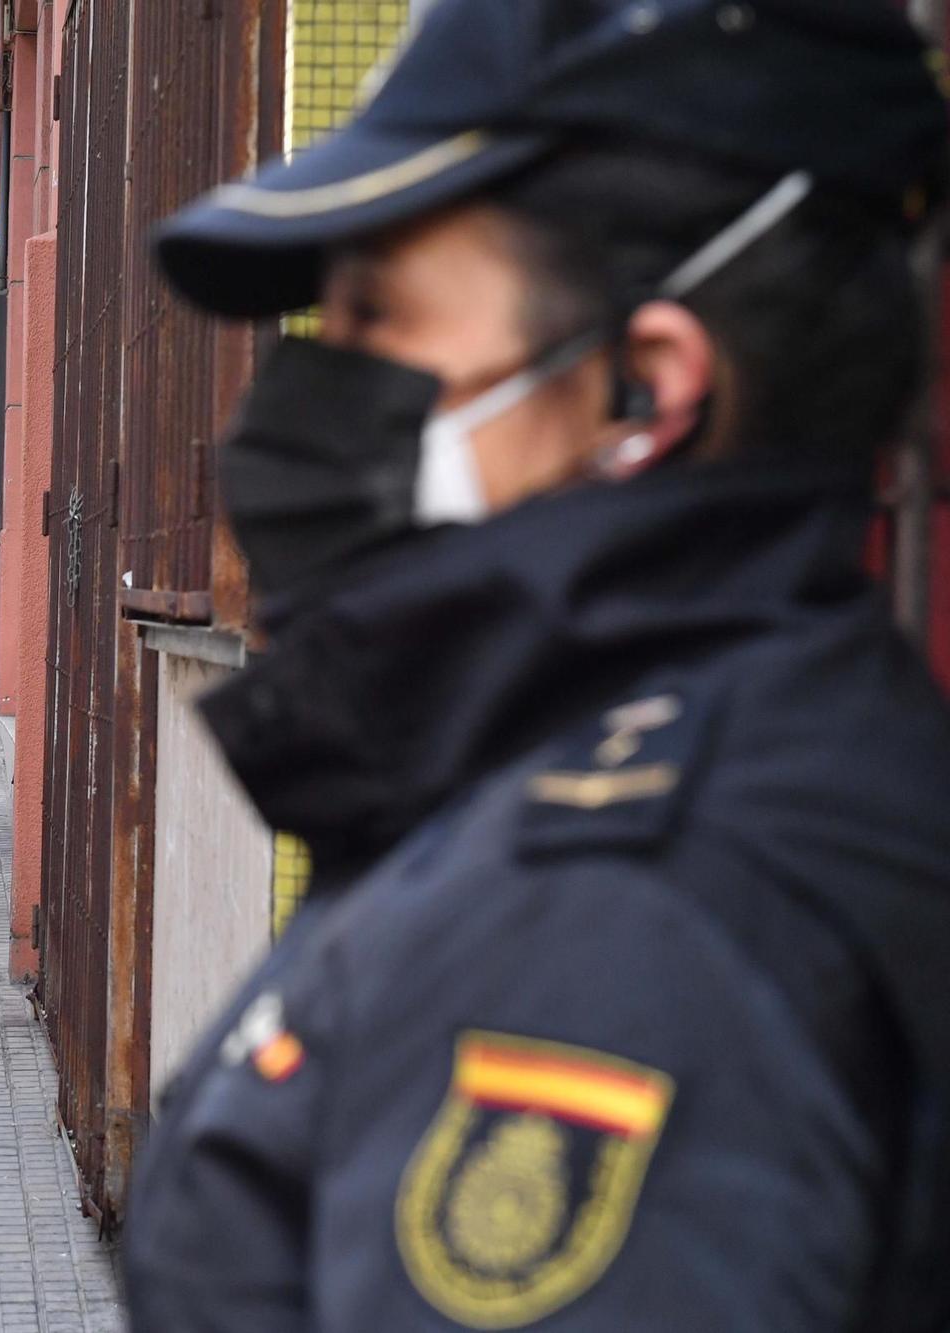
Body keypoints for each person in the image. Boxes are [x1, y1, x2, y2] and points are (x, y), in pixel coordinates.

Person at [123, 1, 950, 1329]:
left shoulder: (617, 922)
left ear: (642, 391)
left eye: (381, 323)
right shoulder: (699, 753)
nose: (302, 405)